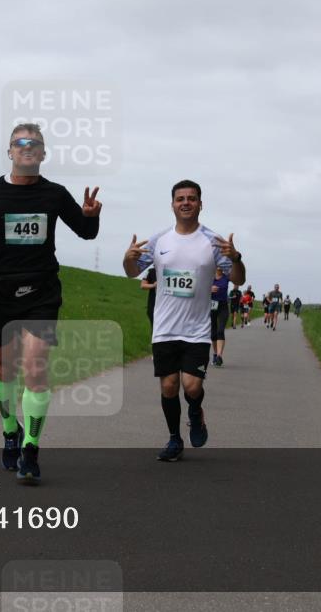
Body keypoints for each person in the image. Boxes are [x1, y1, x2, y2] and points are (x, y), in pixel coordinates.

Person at [0, 123, 102, 484]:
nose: (28, 148)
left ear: (42, 154)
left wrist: (91, 215)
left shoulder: (55, 194)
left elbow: (85, 233)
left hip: (42, 292)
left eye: (35, 144)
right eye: (21, 143)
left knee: (34, 366)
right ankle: (9, 431)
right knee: (5, 368)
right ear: (10, 152)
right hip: (1, 291)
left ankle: (31, 449)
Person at [123, 179, 245, 462]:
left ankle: (195, 412)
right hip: (165, 328)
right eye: (181, 198)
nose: (186, 202)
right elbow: (131, 272)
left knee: (191, 386)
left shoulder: (214, 243)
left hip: (197, 330)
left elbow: (238, 278)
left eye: (192, 198)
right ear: (173, 204)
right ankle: (174, 439)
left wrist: (236, 258)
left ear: (200, 204)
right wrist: (128, 258)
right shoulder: (160, 241)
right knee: (168, 386)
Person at [209, 266, 229, 366]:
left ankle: (219, 356)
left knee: (220, 330)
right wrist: (209, 288)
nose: (220, 266)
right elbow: (199, 287)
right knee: (213, 333)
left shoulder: (226, 277)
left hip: (223, 306)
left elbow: (238, 278)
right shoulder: (209, 276)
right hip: (211, 306)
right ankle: (215, 354)